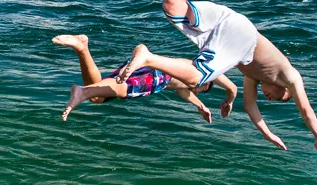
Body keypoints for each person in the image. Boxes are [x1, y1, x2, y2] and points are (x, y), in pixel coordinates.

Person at [116, 0, 317, 158]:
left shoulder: (254, 76)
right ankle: (148, 57)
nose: (270, 98)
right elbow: (306, 110)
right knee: (198, 75)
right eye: (279, 97)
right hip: (242, 37)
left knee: (173, 5)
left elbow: (250, 106)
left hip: (229, 22)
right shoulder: (291, 76)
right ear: (284, 88)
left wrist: (267, 134)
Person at [53, 34, 237, 123]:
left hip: (146, 68)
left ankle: (82, 48)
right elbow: (230, 85)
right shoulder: (201, 73)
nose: (199, 89)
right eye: (205, 88)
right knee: (124, 89)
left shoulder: (186, 79)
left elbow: (183, 91)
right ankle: (83, 91)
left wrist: (201, 106)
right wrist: (229, 99)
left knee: (98, 96)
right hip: (156, 75)